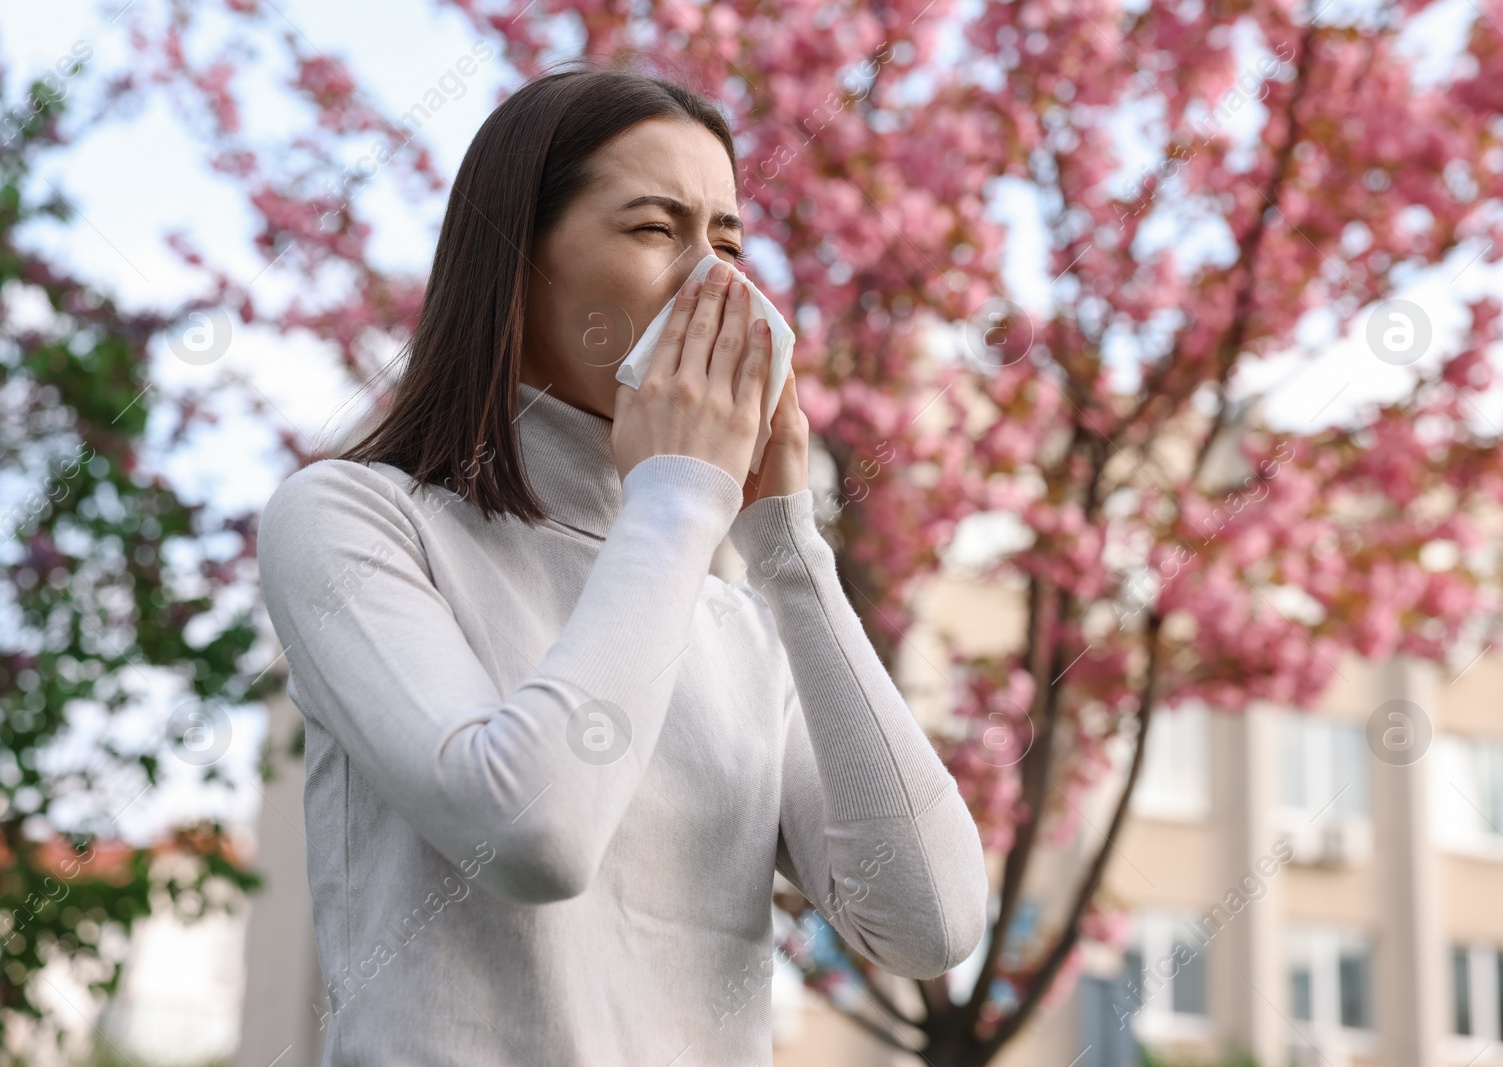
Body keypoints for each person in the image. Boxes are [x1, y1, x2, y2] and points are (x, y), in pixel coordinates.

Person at [256, 62, 987, 1066]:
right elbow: (531, 832)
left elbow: (931, 920)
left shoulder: (731, 619)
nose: (713, 281)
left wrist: (785, 544)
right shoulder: (355, 520)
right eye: (655, 229)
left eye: (728, 240)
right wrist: (683, 494)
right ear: (515, 260)